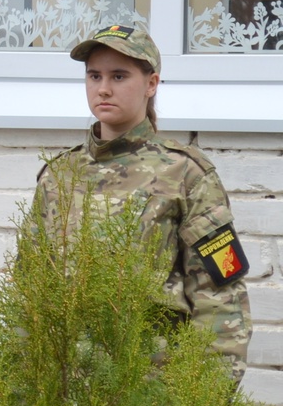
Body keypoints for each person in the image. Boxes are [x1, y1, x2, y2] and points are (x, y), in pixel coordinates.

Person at [35, 24, 251, 382]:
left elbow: (221, 295)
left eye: (119, 76)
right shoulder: (59, 176)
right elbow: (33, 287)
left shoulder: (186, 174)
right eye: (94, 76)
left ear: (151, 84)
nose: (103, 88)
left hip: (154, 392)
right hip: (67, 391)